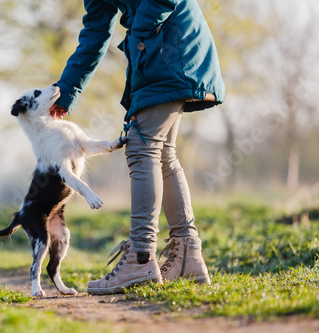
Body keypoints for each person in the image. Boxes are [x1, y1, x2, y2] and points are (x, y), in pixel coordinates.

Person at [50, 0, 225, 295]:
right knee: (161, 154)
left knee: (142, 149)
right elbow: (95, 32)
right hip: (158, 51)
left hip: (171, 46)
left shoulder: (147, 34)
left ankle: (141, 257)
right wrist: (65, 91)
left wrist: (140, 33)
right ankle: (187, 258)